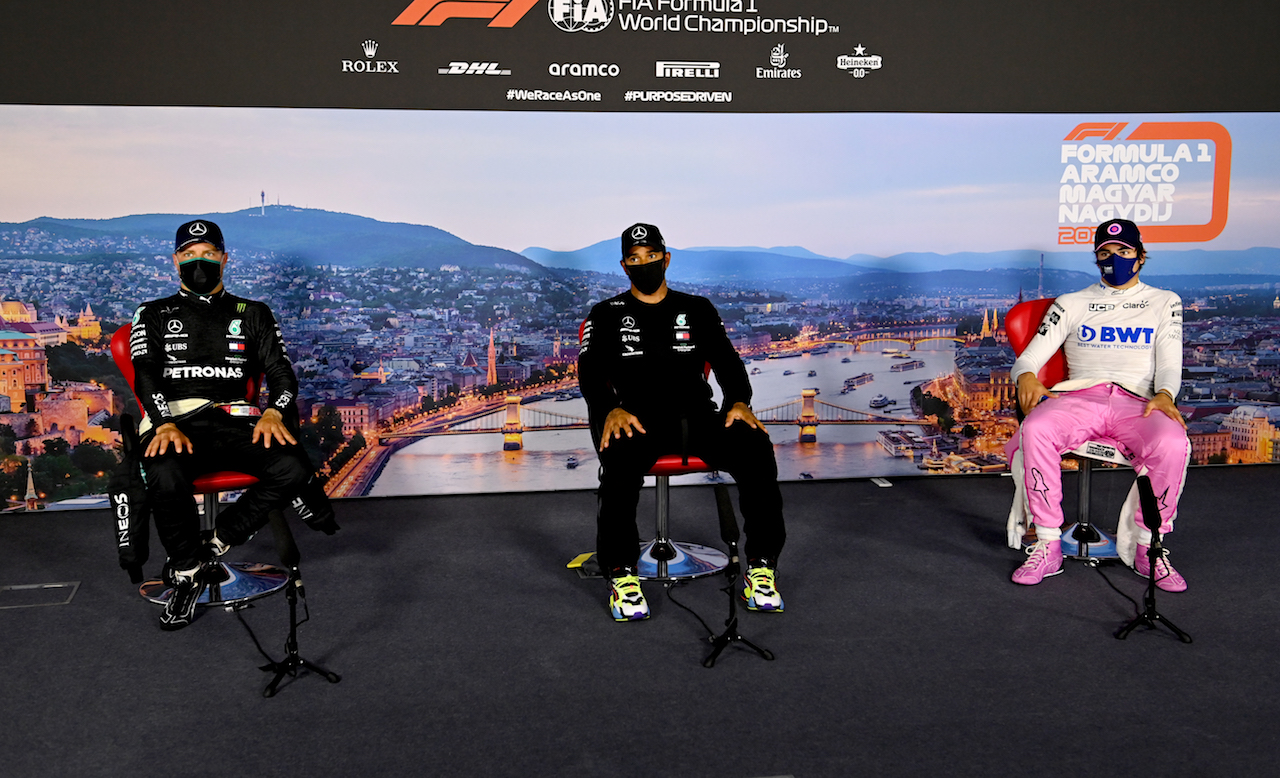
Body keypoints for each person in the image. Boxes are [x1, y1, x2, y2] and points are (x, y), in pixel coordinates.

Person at [129, 219, 335, 630]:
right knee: (165, 475)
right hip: (176, 421)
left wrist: (275, 410)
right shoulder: (151, 313)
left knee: (292, 467)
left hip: (235, 420)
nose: (198, 263)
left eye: (207, 254)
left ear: (224, 259)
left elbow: (280, 372)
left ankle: (218, 540)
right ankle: (187, 573)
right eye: (188, 255)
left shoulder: (253, 313)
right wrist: (162, 421)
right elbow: (145, 373)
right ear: (175, 262)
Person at [578, 223, 787, 621]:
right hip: (637, 421)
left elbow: (727, 361)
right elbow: (589, 373)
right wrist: (610, 409)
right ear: (624, 266)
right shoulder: (605, 314)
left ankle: (761, 566)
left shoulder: (697, 308)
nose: (644, 265)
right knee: (618, 463)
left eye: (651, 256)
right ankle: (621, 573)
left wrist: (740, 401)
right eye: (635, 259)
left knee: (755, 447)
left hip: (698, 418)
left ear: (666, 258)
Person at [1008, 218, 1189, 590]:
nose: (1115, 259)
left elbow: (1170, 361)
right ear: (1096, 258)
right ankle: (1047, 543)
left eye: (1123, 252)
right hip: (1079, 396)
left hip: (1138, 401)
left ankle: (1147, 547)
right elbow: (1028, 360)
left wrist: (1166, 394)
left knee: (1172, 442)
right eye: (1105, 252)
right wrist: (1025, 376)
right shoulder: (1071, 303)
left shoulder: (1165, 302)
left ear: (1140, 257)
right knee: (1037, 428)